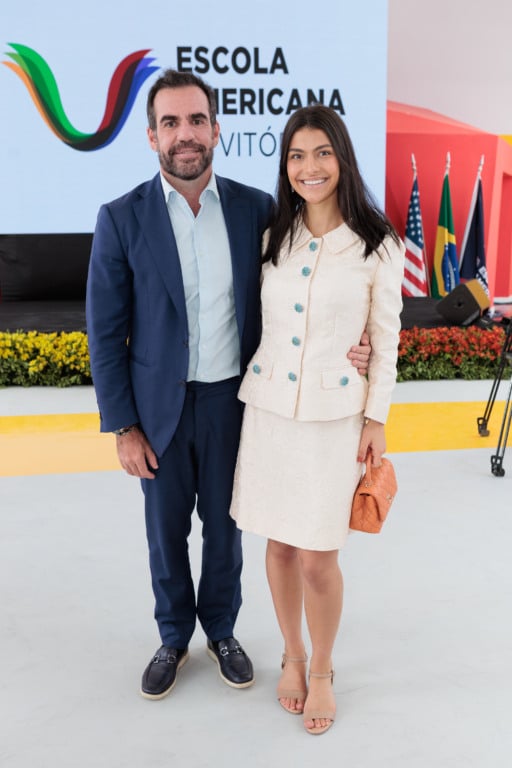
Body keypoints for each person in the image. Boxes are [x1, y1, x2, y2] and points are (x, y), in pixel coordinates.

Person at [86, 70, 372, 701]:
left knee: (228, 527)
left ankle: (222, 630)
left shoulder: (258, 212)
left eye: (195, 121)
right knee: (165, 533)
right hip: (158, 410)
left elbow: (305, 294)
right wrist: (123, 425)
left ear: (216, 130)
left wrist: (358, 339)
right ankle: (172, 635)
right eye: (170, 123)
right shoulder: (120, 219)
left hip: (236, 404)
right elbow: (104, 335)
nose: (184, 135)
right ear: (152, 135)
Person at [230, 105, 404, 735]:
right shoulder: (273, 234)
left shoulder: (378, 243)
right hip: (271, 410)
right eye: (297, 155)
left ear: (342, 158)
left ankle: (325, 669)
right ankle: (293, 656)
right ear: (286, 165)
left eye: (322, 153)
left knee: (318, 558)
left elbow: (386, 339)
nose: (310, 167)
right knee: (278, 546)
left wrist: (376, 418)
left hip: (336, 417)